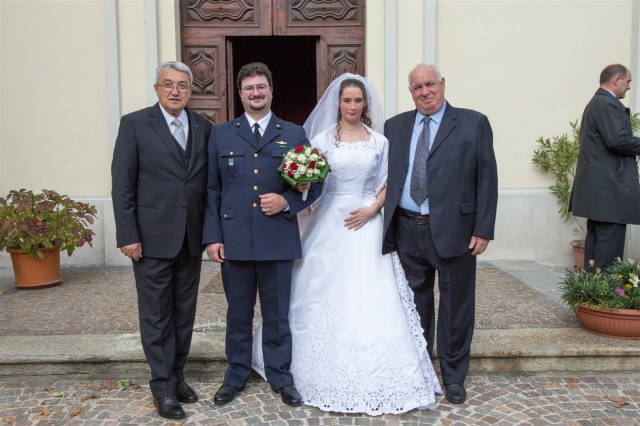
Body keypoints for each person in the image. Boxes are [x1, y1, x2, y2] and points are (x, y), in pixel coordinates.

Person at [252, 73, 442, 415]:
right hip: (328, 221)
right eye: (347, 100)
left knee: (371, 292)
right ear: (337, 103)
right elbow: (309, 183)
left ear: (365, 103)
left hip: (365, 221)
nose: (352, 106)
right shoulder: (322, 140)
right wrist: (301, 186)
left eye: (358, 100)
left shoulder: (379, 142)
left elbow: (388, 183)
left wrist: (372, 209)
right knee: (315, 285)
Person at [203, 62, 321, 407]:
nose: (256, 93)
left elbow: (316, 185)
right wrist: (213, 237)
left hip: (277, 239)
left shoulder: (294, 133)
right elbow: (211, 190)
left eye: (261, 87)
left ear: (271, 91)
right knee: (237, 314)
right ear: (240, 94)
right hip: (234, 239)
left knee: (278, 315)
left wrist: (286, 201)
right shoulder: (221, 134)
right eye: (249, 88)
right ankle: (236, 374)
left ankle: (281, 376)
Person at [382, 64, 498, 405]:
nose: (424, 92)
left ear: (442, 84)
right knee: (413, 307)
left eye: (430, 84)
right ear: (411, 92)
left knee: (456, 308)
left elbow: (487, 178)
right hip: (406, 229)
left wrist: (483, 229)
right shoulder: (396, 126)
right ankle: (418, 370)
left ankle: (454, 375)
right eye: (416, 87)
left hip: (456, 233)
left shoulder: (473, 123)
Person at [111, 61, 212, 419]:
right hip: (150, 240)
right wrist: (128, 235)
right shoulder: (135, 124)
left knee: (184, 313)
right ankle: (162, 387)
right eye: (168, 84)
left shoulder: (203, 126)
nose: (175, 91)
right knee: (156, 316)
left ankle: (178, 376)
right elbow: (122, 184)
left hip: (190, 238)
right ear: (156, 88)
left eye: (182, 86)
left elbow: (206, 184)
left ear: (190, 90)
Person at [570, 64, 640, 270]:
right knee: (608, 255)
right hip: (609, 192)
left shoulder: (599, 103)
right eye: (628, 81)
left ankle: (593, 298)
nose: (628, 87)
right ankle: (603, 299)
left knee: (596, 251)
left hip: (602, 192)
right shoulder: (606, 104)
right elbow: (618, 140)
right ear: (616, 79)